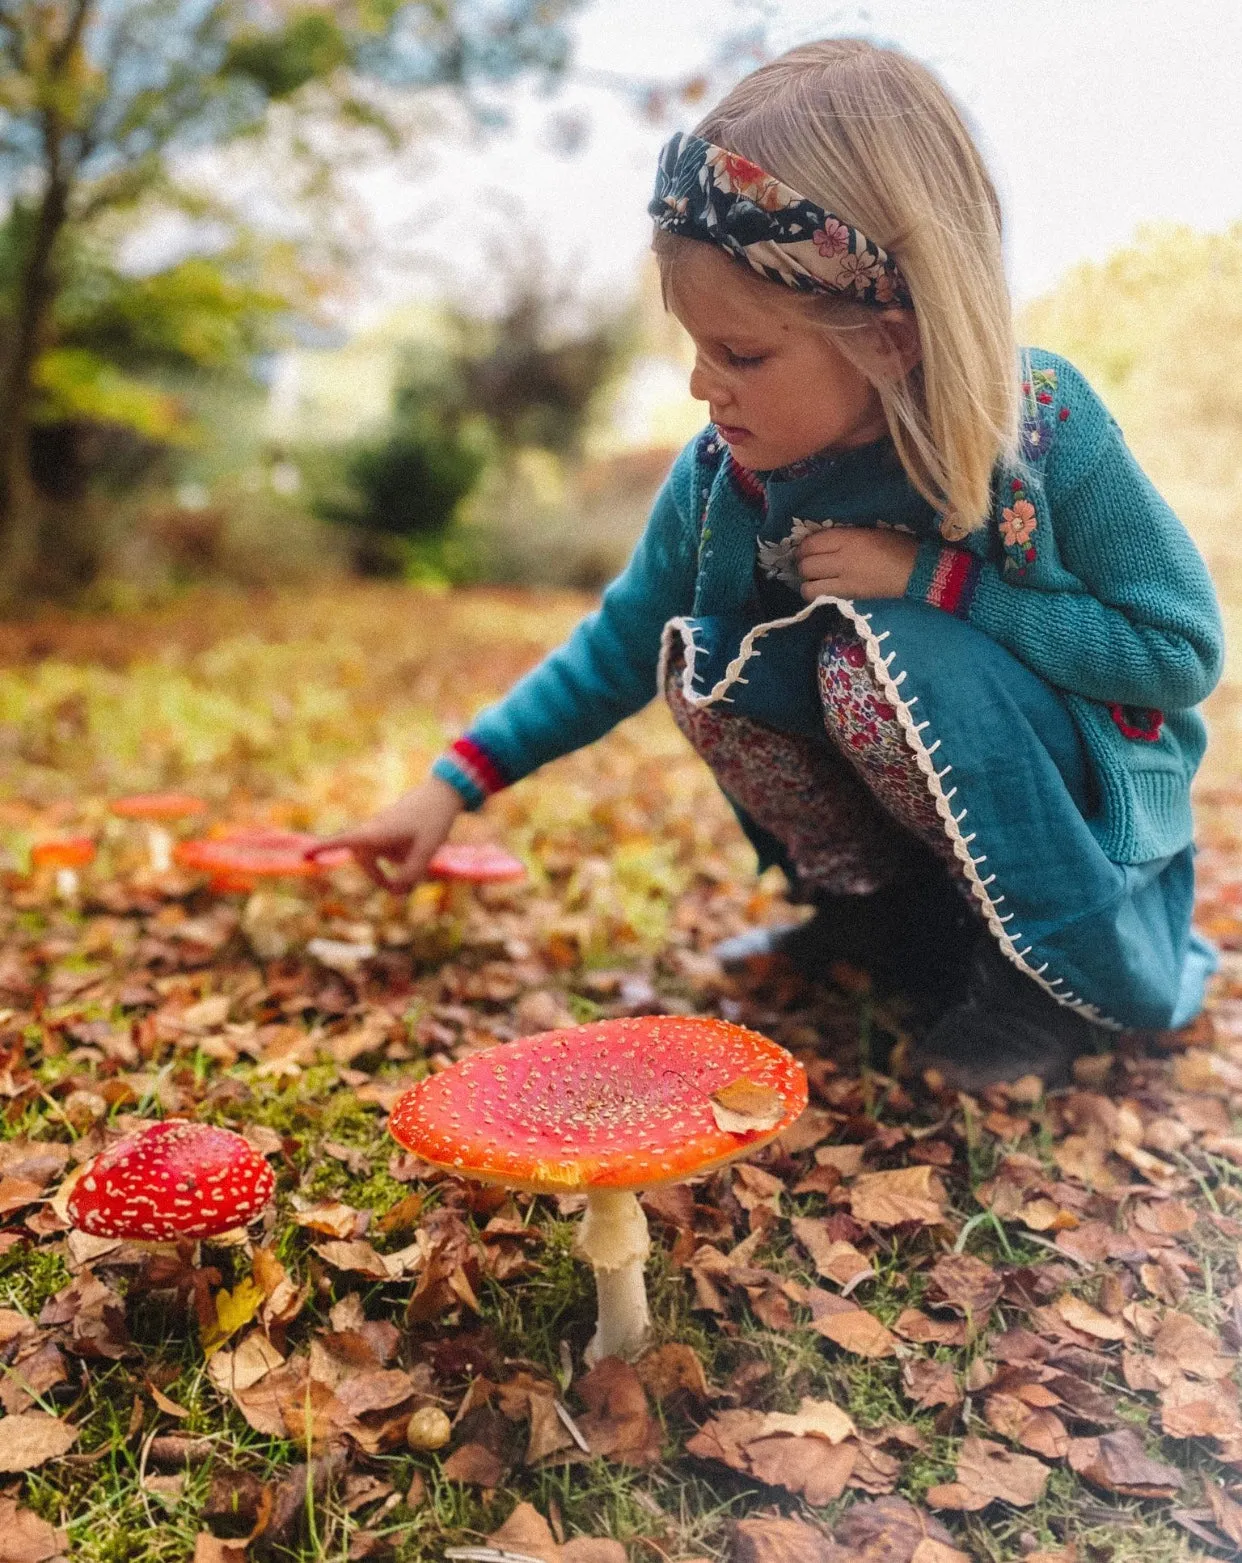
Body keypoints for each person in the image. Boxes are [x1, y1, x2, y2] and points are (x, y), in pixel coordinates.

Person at [310, 38, 1224, 1091]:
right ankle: (884, 930)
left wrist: (943, 587)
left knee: (880, 657)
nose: (705, 386)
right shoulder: (726, 481)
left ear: (890, 338)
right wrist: (452, 784)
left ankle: (1030, 979)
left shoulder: (1045, 437)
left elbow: (1177, 651)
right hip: (922, 819)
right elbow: (618, 641)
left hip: (1071, 838)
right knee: (699, 657)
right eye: (694, 346)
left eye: (742, 355)